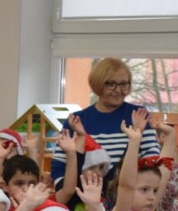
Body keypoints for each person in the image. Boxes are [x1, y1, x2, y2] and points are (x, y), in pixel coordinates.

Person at [48, 58, 159, 190]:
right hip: (82, 195)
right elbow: (59, 165)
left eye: (124, 84)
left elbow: (152, 160)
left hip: (128, 195)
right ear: (98, 84)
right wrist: (68, 193)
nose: (118, 90)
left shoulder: (139, 115)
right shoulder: (76, 120)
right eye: (111, 84)